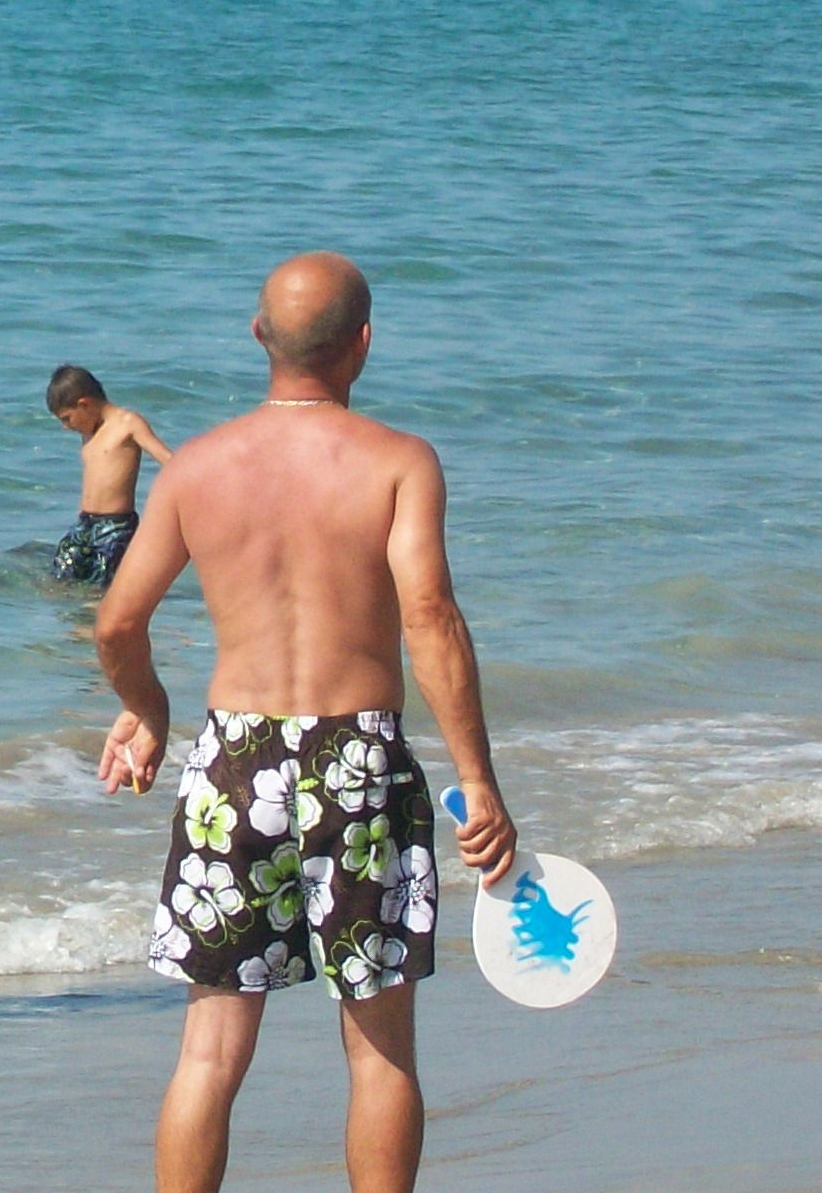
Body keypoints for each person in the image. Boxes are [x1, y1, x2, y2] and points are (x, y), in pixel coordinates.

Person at [93, 252, 517, 1193]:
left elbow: (117, 622)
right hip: (356, 757)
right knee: (380, 1053)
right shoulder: (399, 462)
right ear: (363, 344)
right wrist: (477, 776)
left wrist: (146, 712)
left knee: (210, 1051)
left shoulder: (196, 468)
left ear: (258, 337)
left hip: (234, 762)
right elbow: (430, 617)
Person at [47, 364, 177, 584]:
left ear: (84, 404)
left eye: (67, 418)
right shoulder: (89, 430)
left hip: (115, 527)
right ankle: (75, 618)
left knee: (102, 588)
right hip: (84, 524)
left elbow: (169, 460)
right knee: (59, 581)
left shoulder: (127, 423)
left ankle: (95, 617)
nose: (66, 427)